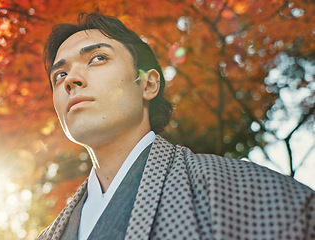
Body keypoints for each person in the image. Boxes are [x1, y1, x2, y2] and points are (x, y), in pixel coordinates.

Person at [37, 13, 315, 240]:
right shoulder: (51, 235)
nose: (71, 79)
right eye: (60, 74)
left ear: (148, 84)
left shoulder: (244, 190)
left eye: (98, 58)